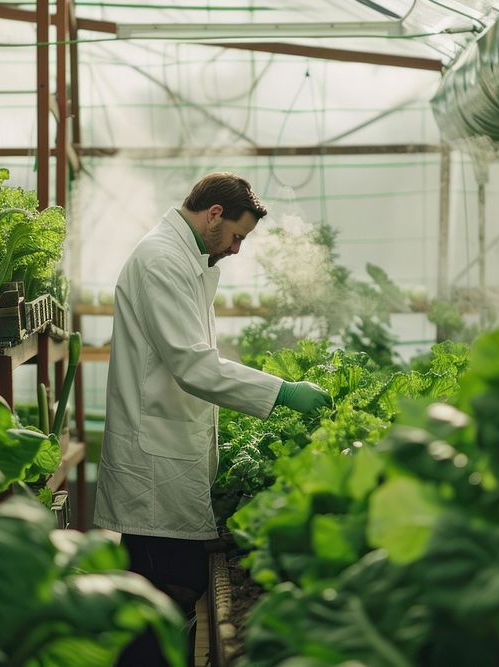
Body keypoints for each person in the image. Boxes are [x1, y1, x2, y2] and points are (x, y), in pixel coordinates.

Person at [93, 172, 331, 666]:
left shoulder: (182, 257)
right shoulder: (161, 260)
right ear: (214, 214)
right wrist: (281, 391)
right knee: (163, 595)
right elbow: (194, 366)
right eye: (238, 236)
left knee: (165, 596)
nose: (238, 249)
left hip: (169, 450)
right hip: (156, 463)